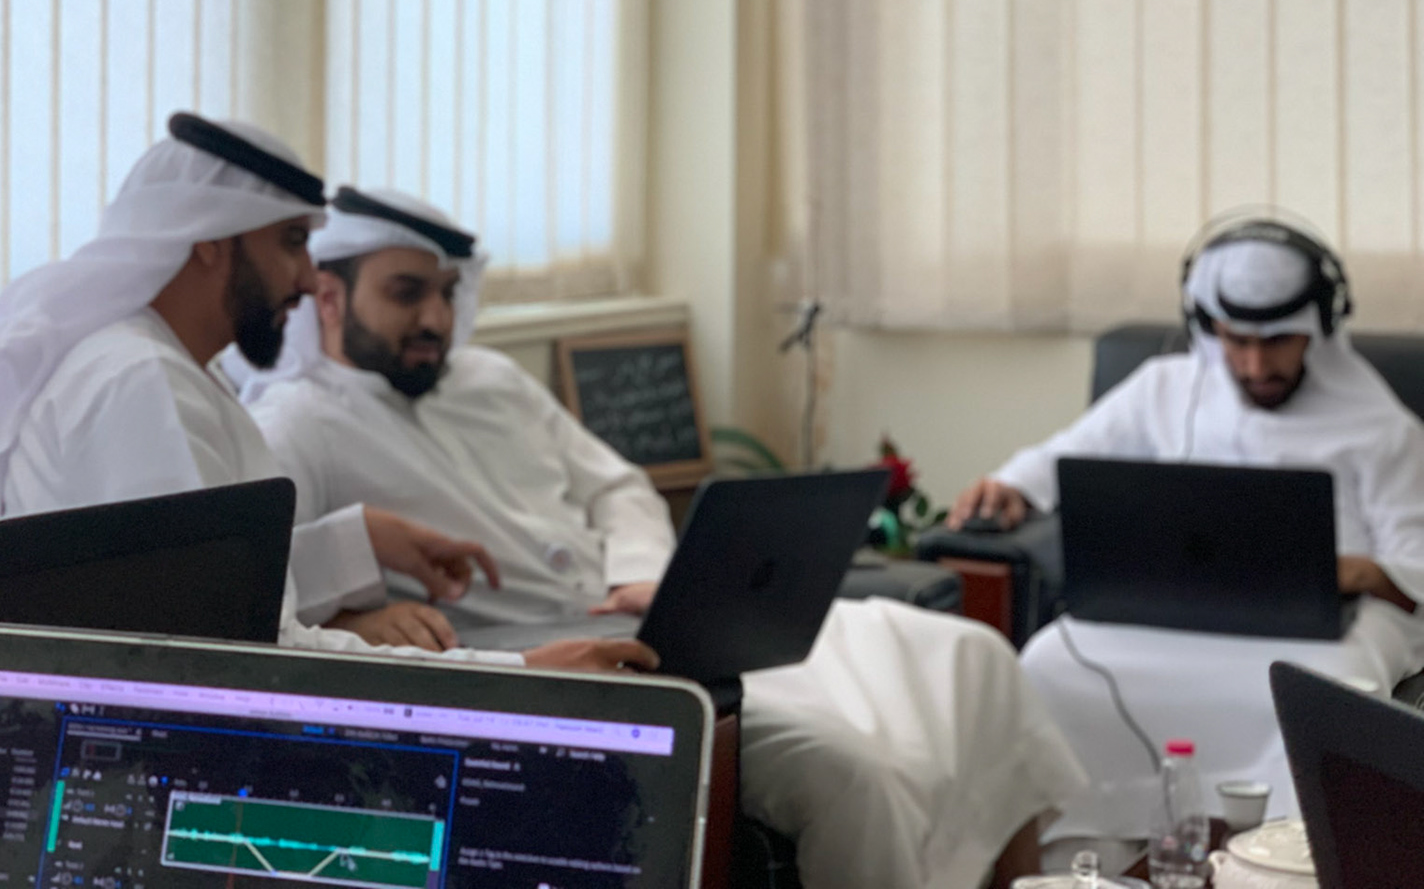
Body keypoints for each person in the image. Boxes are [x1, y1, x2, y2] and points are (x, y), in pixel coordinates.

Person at [246, 185, 1089, 889]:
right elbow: (268, 594)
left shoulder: (490, 379)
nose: (434, 315)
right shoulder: (297, 424)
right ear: (329, 296)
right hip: (557, 662)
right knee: (859, 776)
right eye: (406, 294)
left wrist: (643, 572)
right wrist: (352, 618)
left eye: (443, 292)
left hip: (648, 615)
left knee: (973, 656)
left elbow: (615, 484)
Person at [0, 113, 649, 672]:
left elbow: (205, 585)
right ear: (213, 240)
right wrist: (522, 674)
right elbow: (238, 652)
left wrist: (357, 541)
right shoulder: (138, 381)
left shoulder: (167, 369)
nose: (307, 280)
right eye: (293, 243)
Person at [948, 216, 1424, 840]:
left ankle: (1278, 855)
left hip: (1324, 623)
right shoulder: (1164, 389)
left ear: (1321, 326)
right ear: (1207, 326)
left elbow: (1415, 564)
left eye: (1278, 341)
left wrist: (1345, 570)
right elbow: (1062, 457)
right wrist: (1008, 486)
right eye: (1236, 341)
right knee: (1049, 662)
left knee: (1324, 691)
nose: (1255, 364)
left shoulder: (1381, 426)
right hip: (1169, 607)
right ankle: (1082, 850)